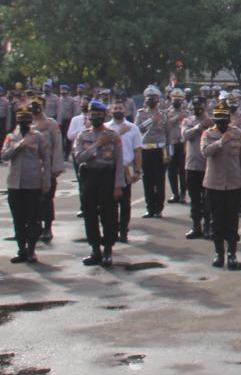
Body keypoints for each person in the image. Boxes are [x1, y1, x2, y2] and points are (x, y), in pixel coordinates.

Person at [200, 99, 241, 268]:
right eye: (218, 119)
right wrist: (221, 141)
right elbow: (205, 152)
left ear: (229, 119)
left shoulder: (238, 133)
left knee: (232, 220)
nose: (222, 122)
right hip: (214, 184)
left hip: (233, 184)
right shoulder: (208, 134)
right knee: (216, 221)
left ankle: (232, 253)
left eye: (224, 118)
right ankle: (219, 253)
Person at [72, 101, 124, 267]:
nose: (96, 118)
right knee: (90, 214)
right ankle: (95, 250)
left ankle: (108, 250)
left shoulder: (114, 136)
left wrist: (118, 185)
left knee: (109, 215)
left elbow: (119, 162)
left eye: (99, 115)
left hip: (107, 177)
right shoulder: (83, 136)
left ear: (104, 116)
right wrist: (97, 145)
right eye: (93, 115)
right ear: (89, 116)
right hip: (90, 177)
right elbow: (79, 157)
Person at [1, 108, 50, 264]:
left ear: (30, 123)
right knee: (18, 218)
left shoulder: (38, 137)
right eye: (20, 121)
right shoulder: (11, 137)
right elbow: (4, 155)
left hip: (33, 182)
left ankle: (31, 250)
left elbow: (46, 160)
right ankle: (21, 249)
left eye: (26, 122)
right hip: (15, 183)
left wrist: (46, 181)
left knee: (33, 218)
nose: (23, 124)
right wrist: (20, 145)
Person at [28, 98, 62, 244]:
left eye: (37, 107)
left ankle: (47, 227)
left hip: (47, 167)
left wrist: (56, 167)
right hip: (32, 168)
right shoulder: (28, 124)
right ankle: (37, 227)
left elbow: (57, 146)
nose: (35, 110)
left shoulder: (51, 124)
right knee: (33, 200)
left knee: (47, 199)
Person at [106, 102, 142, 241]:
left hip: (126, 169)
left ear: (125, 111)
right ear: (110, 111)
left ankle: (123, 231)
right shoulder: (106, 128)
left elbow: (137, 151)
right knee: (110, 202)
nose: (118, 110)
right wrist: (117, 133)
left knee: (125, 202)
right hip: (110, 168)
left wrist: (137, 171)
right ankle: (112, 230)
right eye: (115, 108)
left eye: (120, 108)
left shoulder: (133, 128)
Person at [135, 86, 170, 218]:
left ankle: (158, 208)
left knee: (159, 180)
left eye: (154, 98)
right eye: (149, 98)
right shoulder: (141, 113)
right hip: (146, 150)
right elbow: (138, 129)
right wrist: (151, 121)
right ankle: (150, 208)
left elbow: (169, 135)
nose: (151, 100)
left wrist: (169, 153)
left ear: (158, 100)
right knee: (147, 180)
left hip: (160, 150)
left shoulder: (164, 115)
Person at [182, 95, 213, 241]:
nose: (197, 108)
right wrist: (200, 126)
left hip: (208, 166)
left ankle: (208, 226)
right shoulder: (188, 121)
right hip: (192, 165)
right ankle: (196, 226)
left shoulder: (213, 121)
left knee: (208, 200)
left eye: (200, 105)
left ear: (206, 106)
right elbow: (186, 135)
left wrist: (208, 124)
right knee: (194, 198)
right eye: (194, 105)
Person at [166, 89, 188, 204]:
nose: (177, 102)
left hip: (183, 144)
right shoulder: (167, 112)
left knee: (183, 170)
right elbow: (166, 125)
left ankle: (183, 193)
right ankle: (175, 193)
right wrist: (177, 118)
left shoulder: (187, 112)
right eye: (175, 99)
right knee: (171, 171)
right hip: (171, 144)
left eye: (179, 100)